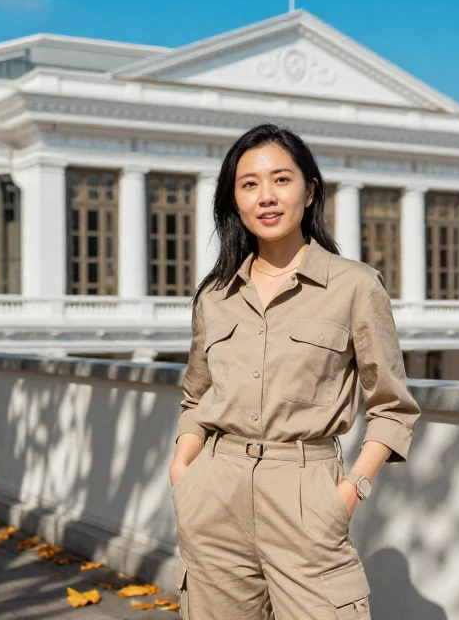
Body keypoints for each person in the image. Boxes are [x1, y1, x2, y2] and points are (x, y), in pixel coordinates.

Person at [169, 124, 421, 619]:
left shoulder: (355, 285)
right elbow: (196, 397)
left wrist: (351, 490)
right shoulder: (215, 295)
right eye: (249, 184)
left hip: (307, 496)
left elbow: (393, 407)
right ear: (234, 200)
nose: (266, 196)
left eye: (281, 179)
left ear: (310, 192)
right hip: (214, 494)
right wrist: (183, 471)